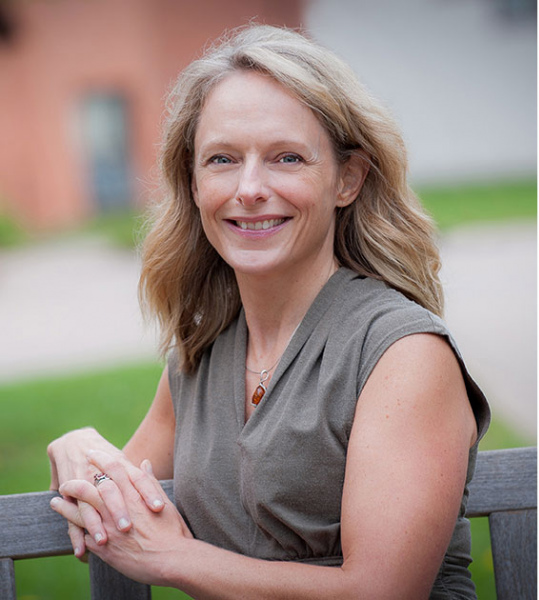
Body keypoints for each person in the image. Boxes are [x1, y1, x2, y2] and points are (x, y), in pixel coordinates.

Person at [46, 24, 489, 599]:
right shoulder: (199, 356)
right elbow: (117, 505)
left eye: (286, 157)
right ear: (194, 182)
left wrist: (177, 560)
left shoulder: (403, 353)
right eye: (223, 159)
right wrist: (80, 448)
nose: (249, 188)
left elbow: (381, 592)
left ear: (347, 179)